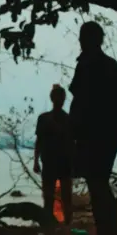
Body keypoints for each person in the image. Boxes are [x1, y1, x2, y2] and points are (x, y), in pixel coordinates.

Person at [69, 21, 117, 235]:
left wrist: (74, 131)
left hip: (92, 134)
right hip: (108, 134)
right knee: (99, 182)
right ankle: (108, 233)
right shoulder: (112, 67)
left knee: (97, 183)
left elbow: (81, 101)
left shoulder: (88, 65)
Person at [33, 84, 75, 225]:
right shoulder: (44, 119)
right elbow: (39, 141)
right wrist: (36, 161)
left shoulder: (68, 120)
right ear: (52, 98)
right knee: (48, 196)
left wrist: (74, 163)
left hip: (64, 163)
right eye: (57, 97)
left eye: (61, 97)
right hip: (49, 162)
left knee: (66, 197)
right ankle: (49, 224)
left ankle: (66, 224)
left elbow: (72, 143)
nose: (59, 100)